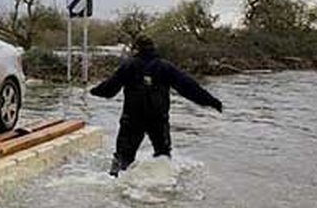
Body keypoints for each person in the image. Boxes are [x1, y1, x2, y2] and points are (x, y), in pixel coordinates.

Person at [89, 34, 223, 176]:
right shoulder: (165, 67)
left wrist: (93, 91)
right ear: (153, 49)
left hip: (133, 119)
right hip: (158, 118)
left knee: (122, 158)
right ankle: (165, 185)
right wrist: (211, 101)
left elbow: (109, 89)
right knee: (163, 155)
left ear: (136, 49)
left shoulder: (128, 66)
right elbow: (189, 87)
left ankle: (115, 185)